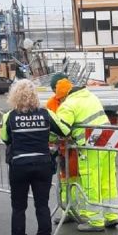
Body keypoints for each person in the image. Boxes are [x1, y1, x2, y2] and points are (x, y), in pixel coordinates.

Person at [1, 79, 65, 235]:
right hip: (42, 164)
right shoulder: (46, 114)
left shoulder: (10, 116)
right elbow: (63, 130)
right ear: (35, 96)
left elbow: (4, 138)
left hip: (19, 165)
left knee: (19, 207)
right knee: (42, 206)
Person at [54, 77, 118, 232]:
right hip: (108, 144)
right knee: (107, 181)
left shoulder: (68, 105)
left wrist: (50, 137)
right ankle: (111, 216)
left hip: (90, 148)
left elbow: (61, 129)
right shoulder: (90, 96)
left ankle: (95, 220)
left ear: (62, 96)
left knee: (91, 182)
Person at [46, 74, 83, 225]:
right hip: (63, 148)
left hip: (74, 146)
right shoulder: (52, 103)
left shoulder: (71, 101)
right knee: (65, 179)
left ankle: (76, 209)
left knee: (76, 179)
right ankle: (66, 210)